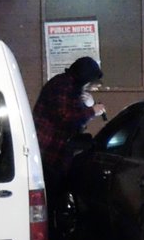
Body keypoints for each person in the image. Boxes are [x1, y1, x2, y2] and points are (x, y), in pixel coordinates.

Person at [32, 56, 105, 192]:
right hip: (48, 149)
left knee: (56, 191)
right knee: (51, 192)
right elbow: (65, 117)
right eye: (89, 82)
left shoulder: (70, 85)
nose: (89, 87)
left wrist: (88, 105)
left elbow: (75, 116)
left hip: (56, 150)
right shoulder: (62, 86)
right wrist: (92, 111)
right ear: (83, 77)